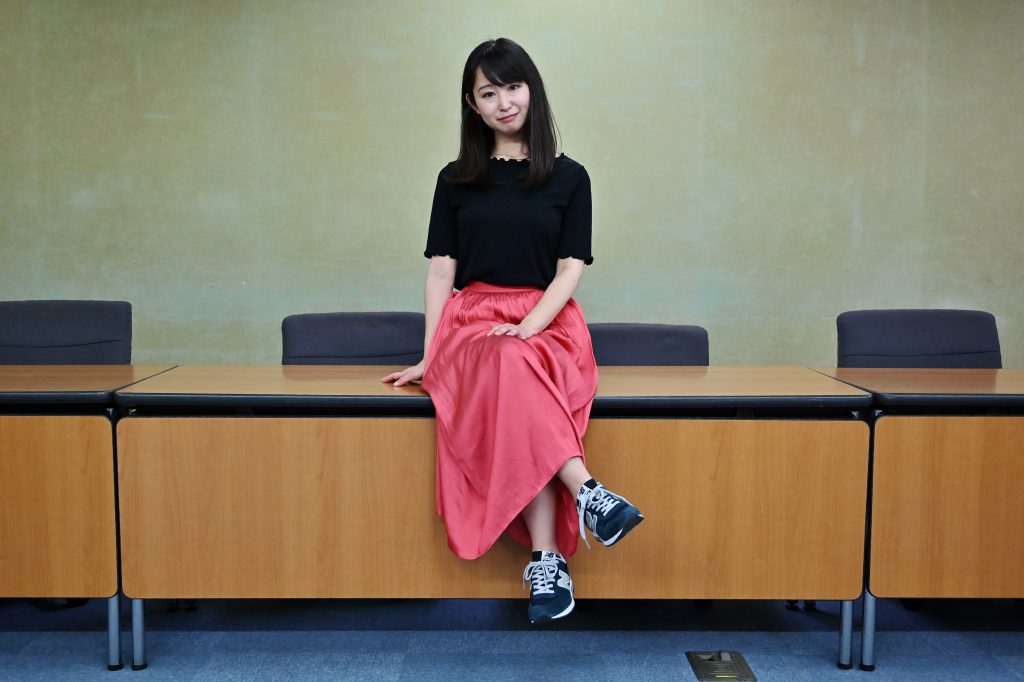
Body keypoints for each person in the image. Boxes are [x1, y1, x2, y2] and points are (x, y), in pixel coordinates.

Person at [382, 37, 644, 624]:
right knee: (506, 365)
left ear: (533, 89)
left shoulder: (570, 177)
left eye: (513, 86)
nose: (504, 102)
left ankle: (548, 558)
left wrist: (528, 325)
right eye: (488, 93)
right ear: (472, 105)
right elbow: (441, 269)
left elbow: (570, 268)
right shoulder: (455, 179)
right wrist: (429, 357)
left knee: (517, 370)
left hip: (549, 321)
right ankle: (588, 495)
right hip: (472, 322)